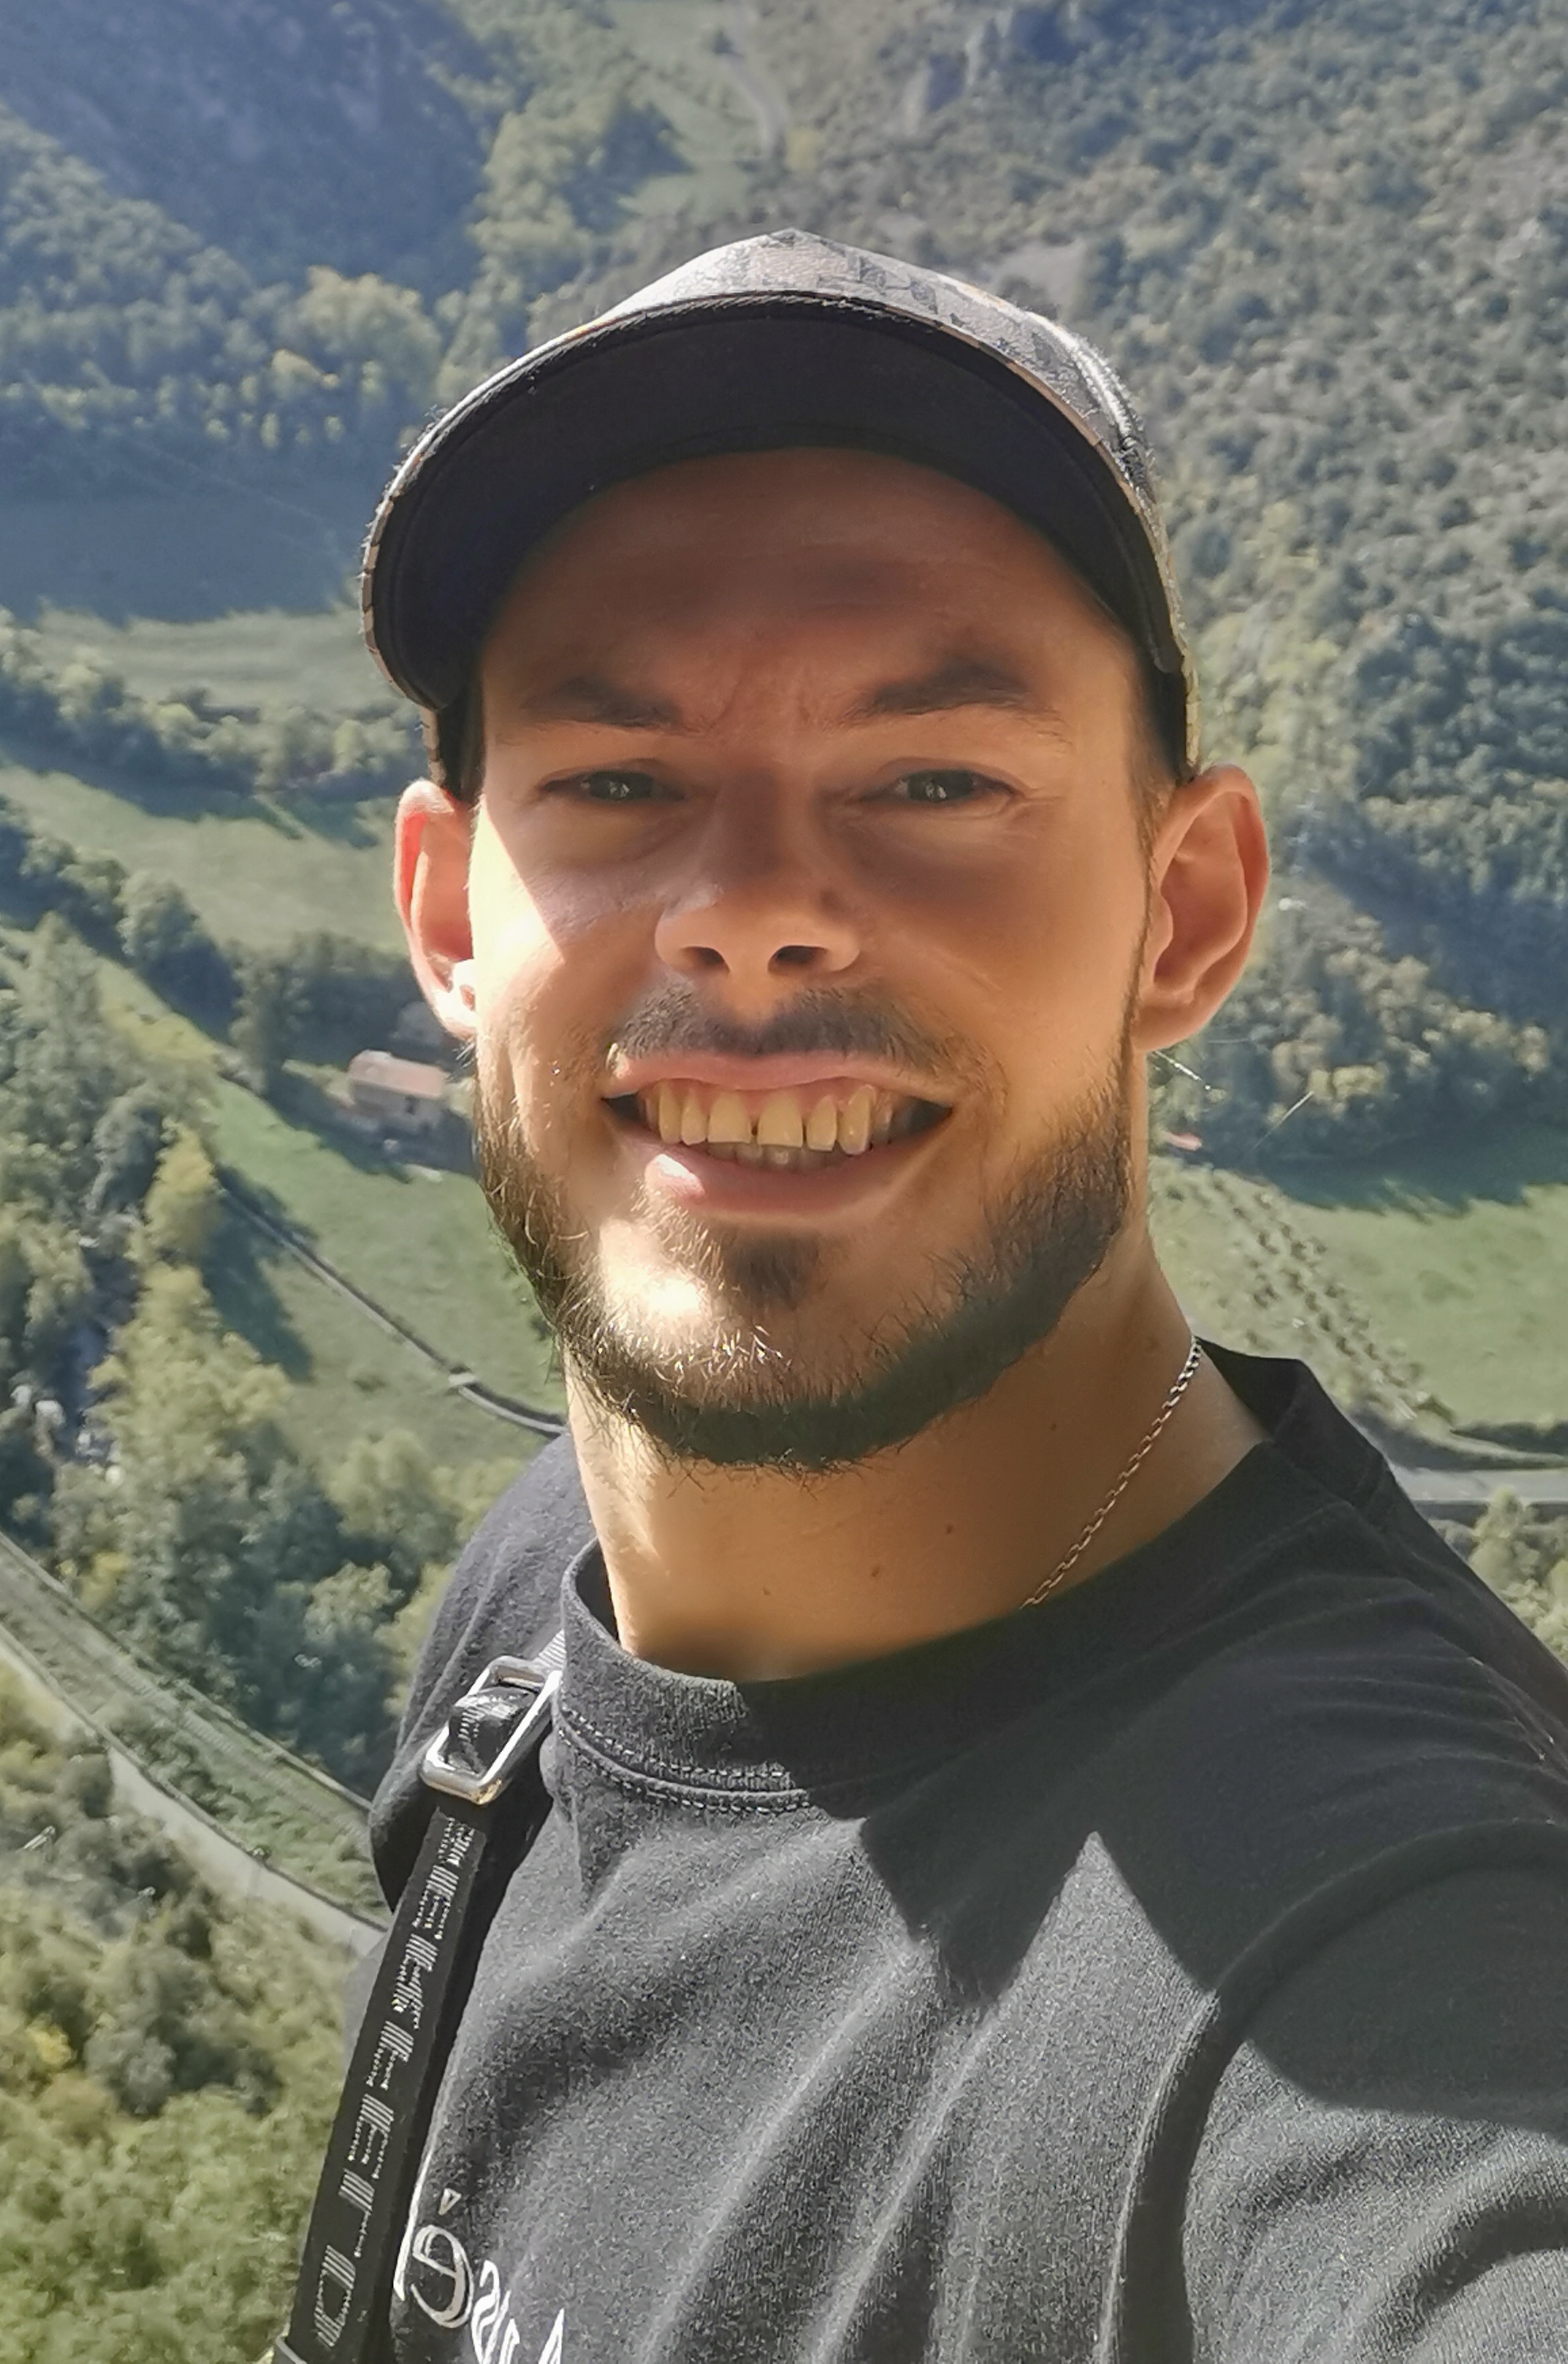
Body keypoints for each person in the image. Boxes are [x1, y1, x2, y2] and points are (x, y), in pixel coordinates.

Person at [334, 231, 1568, 2364]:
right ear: (452, 918)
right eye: (619, 782)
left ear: (1185, 914)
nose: (755, 913)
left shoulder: (1386, 1947)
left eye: (935, 784)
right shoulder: (540, 1606)